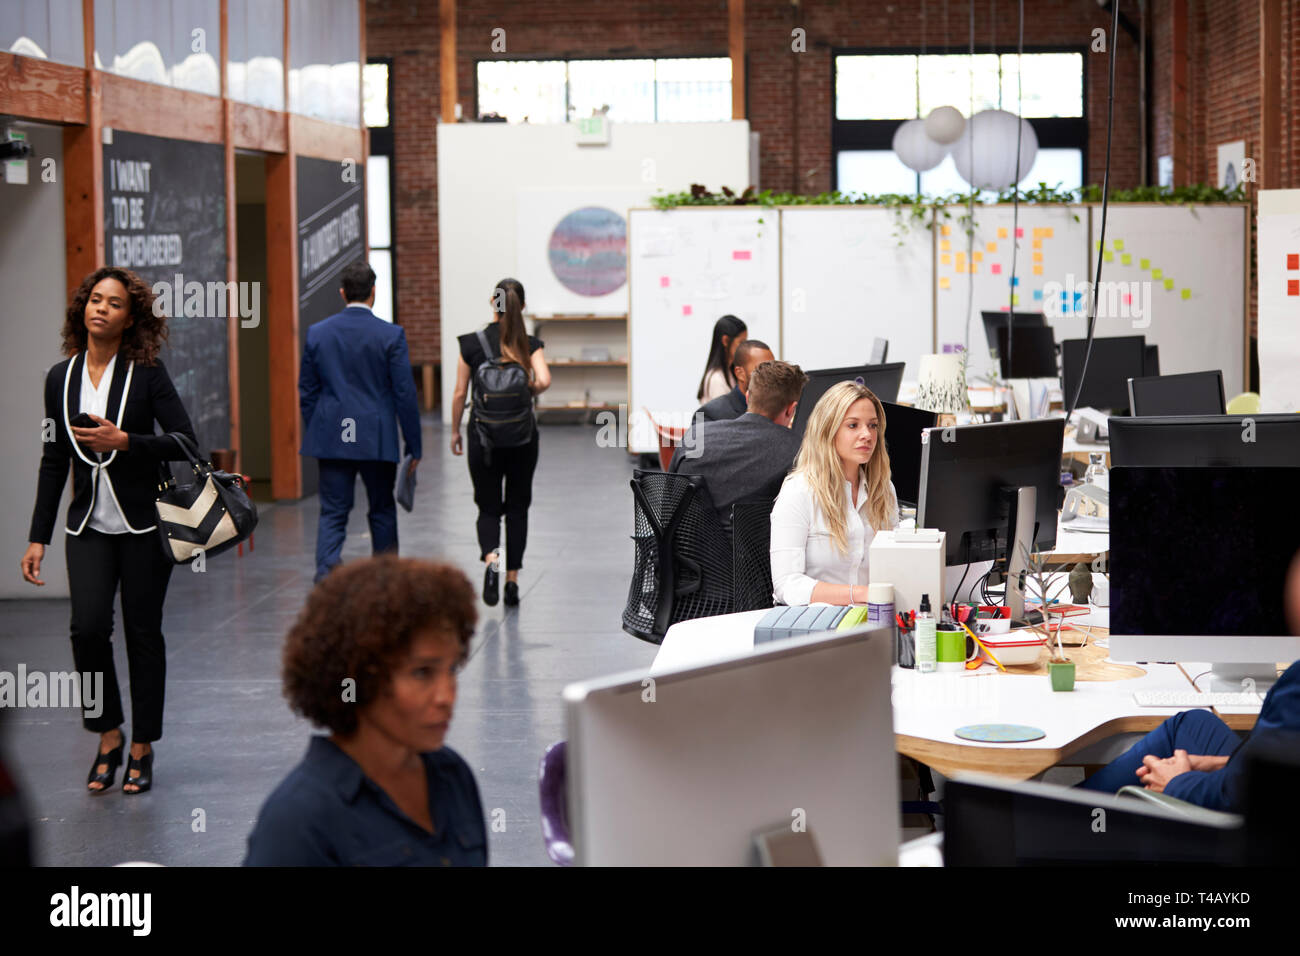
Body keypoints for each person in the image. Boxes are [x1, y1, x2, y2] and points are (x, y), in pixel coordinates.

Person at [21, 266, 199, 795]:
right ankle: (108, 734)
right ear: (83, 310)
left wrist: (127, 443)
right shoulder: (61, 377)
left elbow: (186, 441)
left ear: (129, 318)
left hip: (144, 523)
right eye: (94, 300)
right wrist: (39, 536)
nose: (100, 308)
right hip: (88, 526)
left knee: (144, 633)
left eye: (113, 303)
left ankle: (143, 745)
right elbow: (55, 459)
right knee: (88, 629)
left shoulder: (147, 373)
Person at [243, 556, 487, 866]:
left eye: (451, 669)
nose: (447, 696)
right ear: (359, 676)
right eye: (423, 673)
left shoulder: (453, 776)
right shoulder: (297, 823)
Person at [1076, 551, 1300, 811]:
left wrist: (1178, 782)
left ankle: (1056, 824)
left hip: (1248, 832)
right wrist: (1221, 764)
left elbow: (1250, 797)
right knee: (1192, 724)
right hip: (1253, 781)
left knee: (1052, 823)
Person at [299, 260, 422, 583]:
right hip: (376, 437)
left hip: (333, 436)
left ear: (342, 293)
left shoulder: (318, 334)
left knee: (333, 512)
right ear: (374, 292)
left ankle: (326, 576)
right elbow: (405, 394)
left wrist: (321, 427)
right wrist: (414, 445)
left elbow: (307, 392)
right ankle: (386, 579)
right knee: (381, 510)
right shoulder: (391, 335)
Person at [451, 278, 551, 607]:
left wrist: (454, 431)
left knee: (489, 507)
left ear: (492, 304)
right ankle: (512, 581)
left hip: (483, 438)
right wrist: (528, 389)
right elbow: (545, 380)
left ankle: (493, 563)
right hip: (522, 438)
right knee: (518, 508)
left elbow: (459, 393)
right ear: (521, 306)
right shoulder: (529, 344)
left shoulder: (471, 343)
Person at [769, 381, 899, 606]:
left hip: (873, 618)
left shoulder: (883, 489)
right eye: (853, 425)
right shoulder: (799, 491)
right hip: (817, 624)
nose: (866, 435)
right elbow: (787, 584)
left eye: (872, 425)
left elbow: (896, 566)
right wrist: (860, 594)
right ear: (828, 430)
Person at [671, 361, 806, 522]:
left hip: (685, 545)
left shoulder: (696, 435)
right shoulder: (797, 450)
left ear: (748, 396)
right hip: (752, 546)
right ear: (791, 409)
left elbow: (669, 502)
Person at [695, 338, 776, 424]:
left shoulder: (780, 410)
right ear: (740, 373)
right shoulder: (706, 414)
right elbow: (696, 437)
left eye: (773, 368)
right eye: (762, 369)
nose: (770, 375)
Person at [696, 315, 748, 403]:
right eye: (741, 342)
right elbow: (721, 415)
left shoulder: (731, 373)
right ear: (726, 341)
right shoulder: (717, 379)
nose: (744, 347)